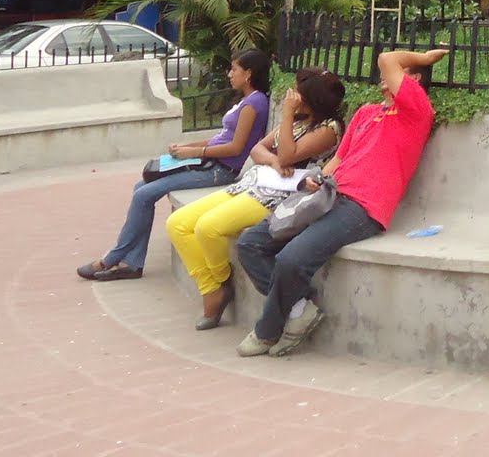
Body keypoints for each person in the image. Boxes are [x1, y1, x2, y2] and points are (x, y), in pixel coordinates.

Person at [234, 46, 447, 358]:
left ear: (412, 79)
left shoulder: (416, 111)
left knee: (291, 259)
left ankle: (267, 332)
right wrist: (316, 179)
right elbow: (338, 159)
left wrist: (426, 59)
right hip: (326, 193)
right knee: (250, 244)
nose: (382, 80)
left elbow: (388, 59)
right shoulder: (366, 113)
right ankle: (299, 309)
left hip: (362, 206)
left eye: (390, 78)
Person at [165, 68, 346, 329]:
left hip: (279, 196)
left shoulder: (330, 128)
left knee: (208, 228)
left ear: (311, 97)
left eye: (297, 91)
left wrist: (284, 122)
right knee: (177, 224)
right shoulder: (296, 121)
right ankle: (213, 287)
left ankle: (218, 285)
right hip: (255, 184)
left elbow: (288, 155)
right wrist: (274, 160)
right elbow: (258, 149)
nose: (291, 96)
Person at [76, 48, 272, 282]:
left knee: (143, 195)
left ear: (248, 74)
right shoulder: (246, 101)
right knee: (142, 187)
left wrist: (195, 151)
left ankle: (114, 258)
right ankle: (133, 262)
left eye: (234, 69)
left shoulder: (254, 103)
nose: (230, 74)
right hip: (208, 162)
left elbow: (236, 148)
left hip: (221, 171)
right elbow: (222, 137)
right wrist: (186, 148)